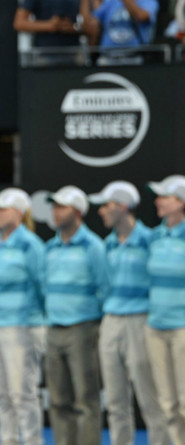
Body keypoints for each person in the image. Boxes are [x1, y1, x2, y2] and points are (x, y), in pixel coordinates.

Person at [88, 181, 168, 445]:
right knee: (114, 401)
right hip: (110, 322)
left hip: (141, 322)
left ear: (123, 207)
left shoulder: (151, 240)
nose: (101, 211)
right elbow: (104, 286)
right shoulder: (108, 244)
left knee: (149, 398)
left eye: (106, 205)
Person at [43, 185, 109, 445]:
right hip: (53, 328)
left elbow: (104, 288)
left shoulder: (94, 246)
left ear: (78, 212)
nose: (56, 212)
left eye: (62, 207)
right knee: (58, 400)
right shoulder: (50, 247)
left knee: (86, 399)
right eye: (54, 206)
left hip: (83, 329)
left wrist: (91, 322)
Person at [0, 188, 46, 445]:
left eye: (2, 208)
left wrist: (33, 321)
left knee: (22, 394)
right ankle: (8, 440)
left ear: (19, 213)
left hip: (21, 327)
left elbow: (42, 286)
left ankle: (32, 441)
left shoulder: (31, 245)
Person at [144, 174, 185, 445]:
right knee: (166, 403)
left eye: (165, 197)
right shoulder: (154, 237)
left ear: (181, 202)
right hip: (155, 327)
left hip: (182, 327)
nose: (158, 201)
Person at [80, 0, 160, 47]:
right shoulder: (111, 2)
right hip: (109, 58)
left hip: (134, 58)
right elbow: (90, 25)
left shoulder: (148, 2)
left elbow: (141, 16)